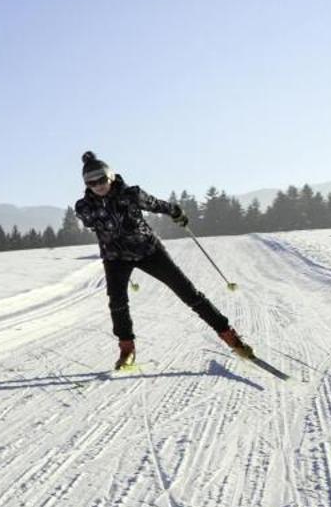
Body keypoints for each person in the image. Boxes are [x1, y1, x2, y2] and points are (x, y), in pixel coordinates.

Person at [74, 150, 250, 370]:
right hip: (116, 258)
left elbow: (156, 204)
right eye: (91, 183)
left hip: (148, 250)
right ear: (86, 185)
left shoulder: (131, 194)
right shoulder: (83, 207)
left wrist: (176, 212)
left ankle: (230, 336)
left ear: (110, 176)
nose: (98, 185)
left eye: (101, 179)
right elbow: (91, 222)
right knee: (117, 302)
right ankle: (127, 349)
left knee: (187, 292)